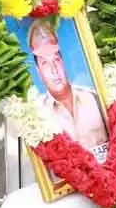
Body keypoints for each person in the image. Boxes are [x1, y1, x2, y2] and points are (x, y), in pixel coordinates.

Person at [28, 20, 109, 158]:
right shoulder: (38, 114)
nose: (54, 70)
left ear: (63, 62)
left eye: (56, 60)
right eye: (45, 64)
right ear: (38, 71)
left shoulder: (93, 97)